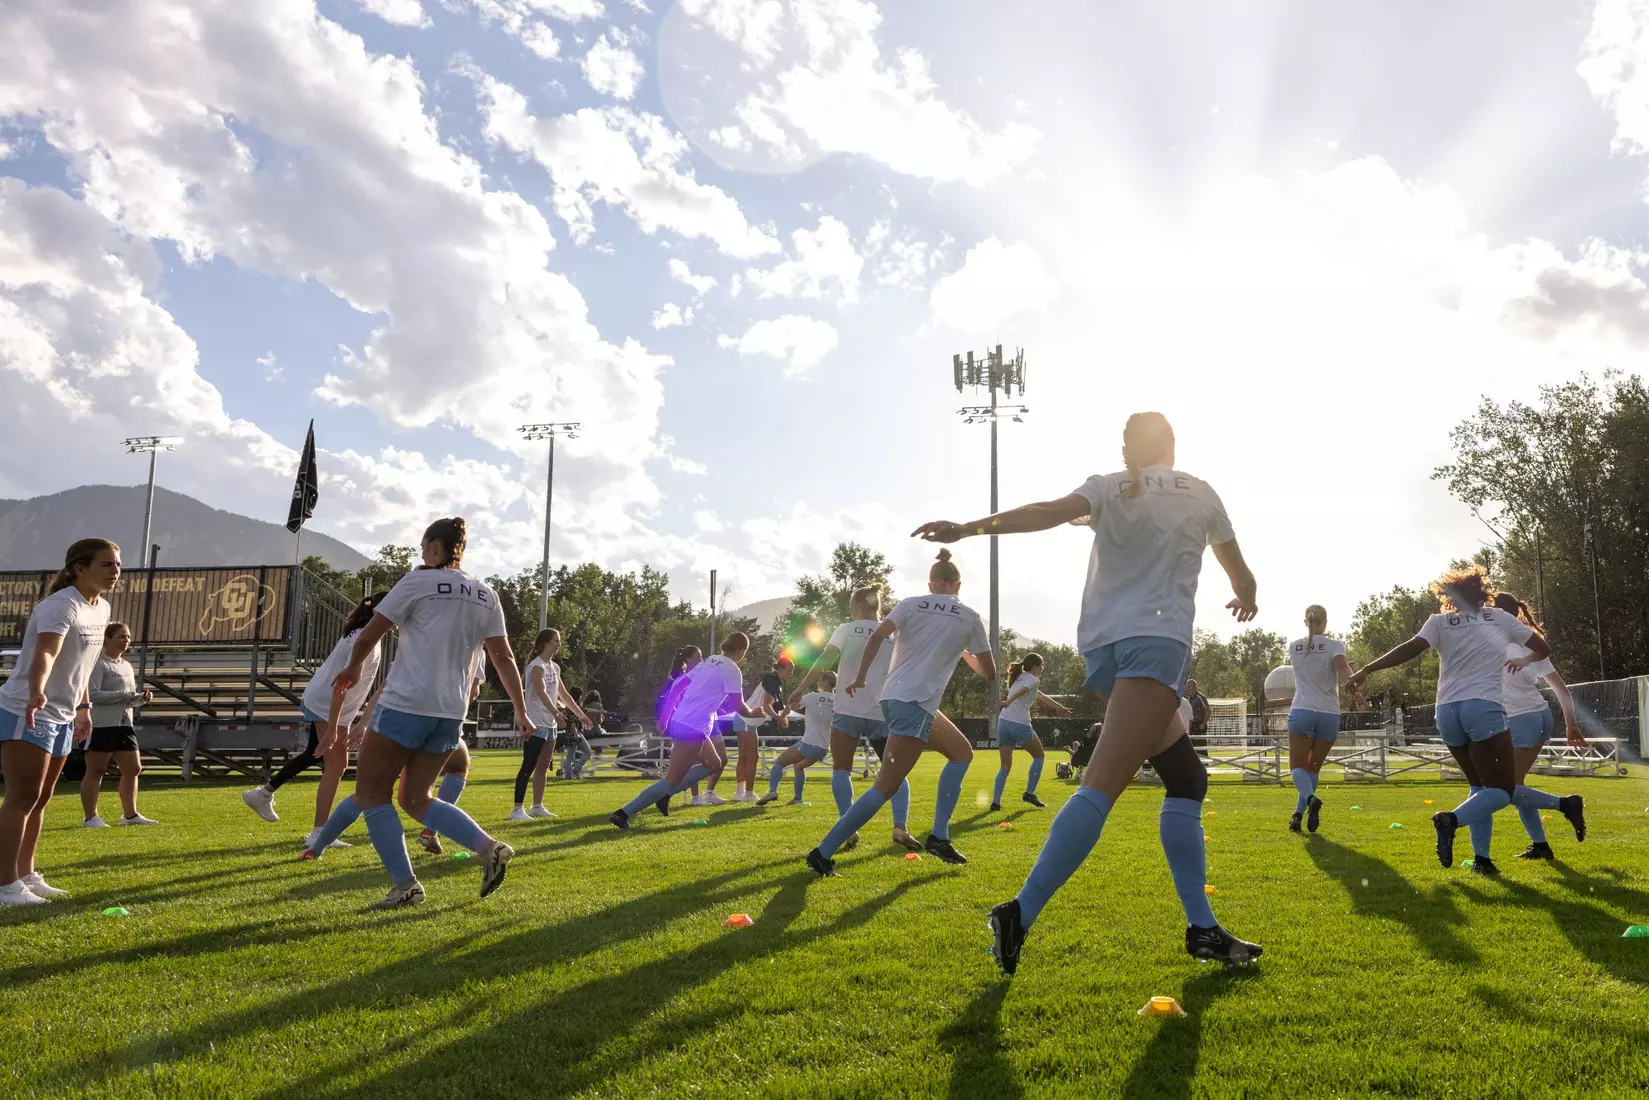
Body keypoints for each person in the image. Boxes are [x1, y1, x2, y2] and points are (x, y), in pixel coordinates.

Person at [912, 412, 1263, 972]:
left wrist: (968, 528)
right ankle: (1018, 914)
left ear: (1128, 448)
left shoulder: (1109, 485)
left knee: (1186, 777)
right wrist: (1246, 595)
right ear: (1173, 445)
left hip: (1105, 649)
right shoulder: (1199, 491)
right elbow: (1239, 574)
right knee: (1101, 786)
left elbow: (1047, 513)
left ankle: (1203, 929)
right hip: (1157, 645)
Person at [303, 518, 529, 908]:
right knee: (417, 798)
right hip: (450, 714)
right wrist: (521, 710)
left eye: (424, 546)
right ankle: (488, 847)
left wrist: (354, 668)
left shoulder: (416, 582)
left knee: (371, 793)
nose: (422, 552)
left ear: (435, 547)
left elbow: (371, 632)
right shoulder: (486, 593)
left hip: (407, 703)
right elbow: (503, 656)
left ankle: (405, 884)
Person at [1346, 565, 1558, 876]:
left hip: (1446, 711)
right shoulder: (1500, 618)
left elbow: (1409, 649)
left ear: (1450, 597)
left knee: (1478, 786)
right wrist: (1523, 659)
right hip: (1482, 708)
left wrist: (1367, 669)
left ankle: (1482, 862)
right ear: (1483, 591)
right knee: (1501, 790)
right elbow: (1544, 648)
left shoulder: (1439, 622)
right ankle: (1452, 821)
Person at [805, 549, 996, 874]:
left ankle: (939, 836)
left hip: (895, 700)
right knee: (886, 785)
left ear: (931, 583)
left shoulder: (910, 603)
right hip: (916, 703)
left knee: (962, 752)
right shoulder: (970, 617)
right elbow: (989, 673)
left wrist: (862, 676)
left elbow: (878, 635)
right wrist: (963, 651)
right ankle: (822, 853)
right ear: (958, 584)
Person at [0, 538, 120, 905]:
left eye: (117, 565)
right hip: (28, 709)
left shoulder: (100, 608)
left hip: (64, 714)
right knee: (22, 797)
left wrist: (83, 708)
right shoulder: (59, 605)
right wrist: (37, 691)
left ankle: (26, 874)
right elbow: (47, 651)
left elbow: (81, 667)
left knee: (41, 799)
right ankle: (5, 885)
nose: (115, 571)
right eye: (106, 564)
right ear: (79, 568)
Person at [242, 593, 387, 852]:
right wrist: (333, 728)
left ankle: (262, 794)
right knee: (336, 765)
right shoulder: (364, 640)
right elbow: (341, 686)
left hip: (327, 703)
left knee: (313, 754)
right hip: (327, 704)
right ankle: (320, 834)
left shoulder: (364, 635)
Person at [788, 587, 921, 853]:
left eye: (851, 605)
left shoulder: (846, 629)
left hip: (848, 710)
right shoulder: (892, 633)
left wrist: (801, 687)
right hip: (882, 712)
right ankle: (900, 827)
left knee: (841, 770)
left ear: (860, 604)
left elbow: (825, 658)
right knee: (896, 771)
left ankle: (849, 828)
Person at [609, 632, 769, 829]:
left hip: (684, 722)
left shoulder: (709, 660)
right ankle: (623, 813)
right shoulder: (733, 670)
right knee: (672, 779)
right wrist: (753, 713)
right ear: (741, 650)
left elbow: (677, 687)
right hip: (692, 727)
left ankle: (665, 795)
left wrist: (666, 719)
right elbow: (738, 705)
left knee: (714, 763)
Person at [1491, 592, 1587, 860]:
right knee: (1517, 787)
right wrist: (1571, 725)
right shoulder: (1530, 649)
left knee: (1506, 789)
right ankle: (1541, 846)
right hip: (1541, 716)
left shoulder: (1495, 645)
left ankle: (1566, 805)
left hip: (1523, 719)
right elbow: (1561, 690)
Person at [1284, 605, 1359, 834]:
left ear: (1306, 622)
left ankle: (1309, 799)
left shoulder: (1294, 646)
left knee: (1297, 768)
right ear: (1325, 623)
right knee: (1313, 768)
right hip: (1329, 713)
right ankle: (1297, 815)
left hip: (1302, 710)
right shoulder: (1334, 645)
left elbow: (1313, 668)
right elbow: (1342, 668)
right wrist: (1355, 689)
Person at [80, 620, 157, 827]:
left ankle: (130, 816)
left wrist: (140, 699)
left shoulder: (126, 665)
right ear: (107, 639)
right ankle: (91, 817)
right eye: (121, 637)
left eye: (128, 637)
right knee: (96, 770)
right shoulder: (98, 663)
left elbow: (127, 699)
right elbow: (92, 694)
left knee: (133, 768)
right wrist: (124, 695)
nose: (126, 641)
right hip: (101, 724)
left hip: (124, 724)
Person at [511, 628, 590, 821]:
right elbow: (541, 692)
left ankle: (537, 806)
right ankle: (517, 809)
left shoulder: (554, 667)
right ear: (545, 643)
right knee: (528, 766)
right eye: (556, 641)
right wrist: (556, 712)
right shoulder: (537, 666)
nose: (558, 645)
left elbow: (564, 695)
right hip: (535, 723)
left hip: (550, 726)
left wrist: (581, 716)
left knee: (543, 766)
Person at [415, 663, 483, 856]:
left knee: (376, 790)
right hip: (441, 716)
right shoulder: (476, 644)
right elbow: (474, 689)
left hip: (406, 711)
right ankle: (489, 848)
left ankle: (430, 831)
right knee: (411, 797)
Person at [991, 653, 1073, 812]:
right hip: (1019, 724)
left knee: (1004, 767)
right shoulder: (1033, 679)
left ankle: (995, 803)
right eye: (1041, 665)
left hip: (1003, 723)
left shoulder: (1020, 677)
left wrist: (1060, 707)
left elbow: (1042, 697)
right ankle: (1029, 793)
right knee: (1039, 756)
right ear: (1034, 667)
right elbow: (1022, 691)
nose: (1043, 669)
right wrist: (1009, 700)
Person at [758, 671, 836, 806]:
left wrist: (783, 715)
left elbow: (793, 703)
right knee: (799, 766)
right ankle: (798, 799)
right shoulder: (838, 700)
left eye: (820, 680)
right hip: (823, 747)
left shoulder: (812, 697)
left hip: (809, 743)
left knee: (779, 762)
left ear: (826, 682)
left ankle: (772, 791)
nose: (817, 682)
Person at [727, 657, 793, 803]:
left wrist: (785, 712)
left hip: (744, 720)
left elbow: (775, 708)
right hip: (747, 721)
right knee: (752, 758)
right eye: (789, 671)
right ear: (780, 669)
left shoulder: (775, 682)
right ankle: (748, 794)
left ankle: (740, 793)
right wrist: (779, 719)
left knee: (744, 758)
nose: (791, 674)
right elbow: (767, 706)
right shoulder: (772, 682)